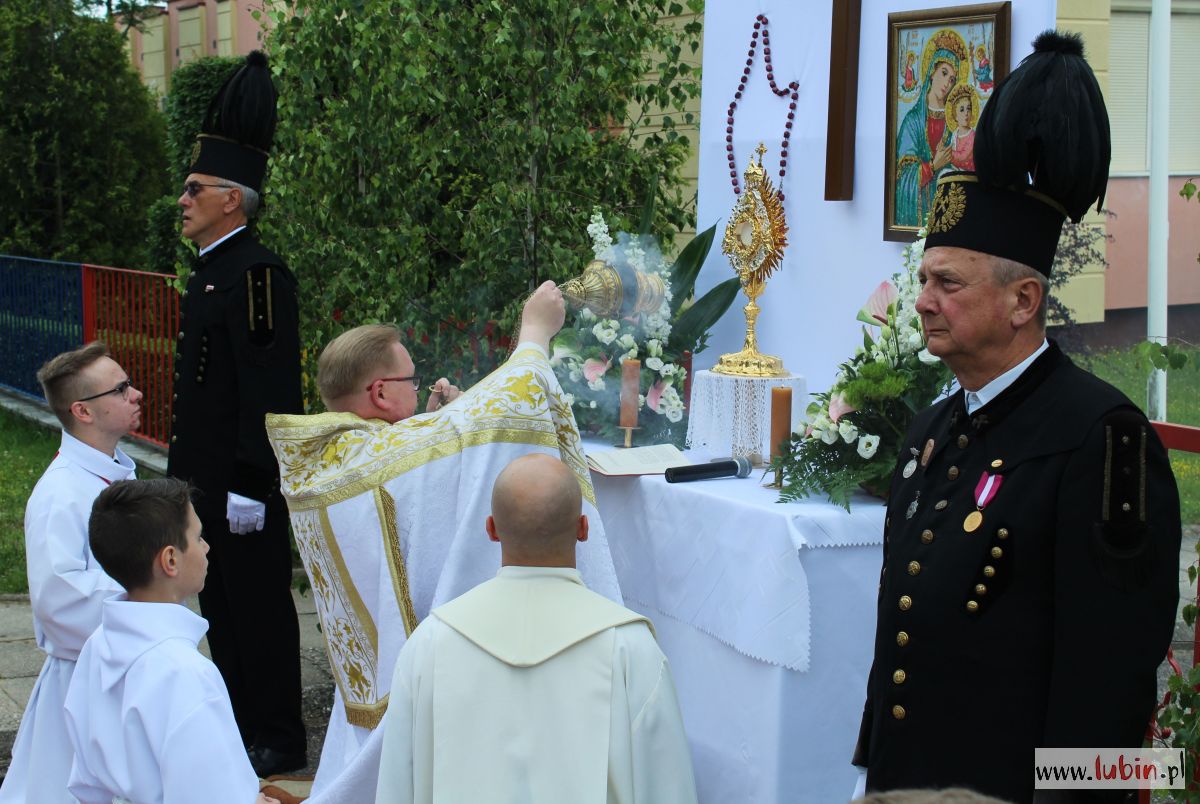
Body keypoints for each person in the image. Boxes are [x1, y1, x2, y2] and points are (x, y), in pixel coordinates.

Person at [853, 32, 1181, 803]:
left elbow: (1114, 681)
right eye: (924, 279)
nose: (924, 300)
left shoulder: (1106, 441)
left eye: (948, 283)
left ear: (1023, 302)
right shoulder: (934, 429)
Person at [265, 281, 623, 802]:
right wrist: (533, 336)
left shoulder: (334, 455)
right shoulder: (374, 456)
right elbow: (504, 411)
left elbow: (414, 482)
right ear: (381, 394)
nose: (418, 384)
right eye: (408, 378)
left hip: (369, 678)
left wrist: (436, 422)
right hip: (405, 685)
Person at [375, 453, 696, 804]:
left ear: (492, 529)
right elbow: (666, 786)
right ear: (583, 529)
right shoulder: (629, 648)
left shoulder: (430, 643)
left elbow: (396, 784)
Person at [167, 50, 307, 776]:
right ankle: (243, 725)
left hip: (239, 489)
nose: (181, 199)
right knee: (220, 609)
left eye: (194, 189)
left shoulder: (255, 274)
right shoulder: (213, 273)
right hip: (205, 485)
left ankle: (279, 737)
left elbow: (270, 392)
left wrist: (254, 487)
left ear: (232, 198)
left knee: (257, 611)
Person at [62, 478, 279, 804]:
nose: (206, 547)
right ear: (170, 560)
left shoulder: (98, 644)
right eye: (198, 537)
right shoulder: (186, 673)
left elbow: (85, 778)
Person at [0, 343, 140, 804]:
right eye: (120, 389)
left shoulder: (115, 474)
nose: (136, 394)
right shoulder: (61, 493)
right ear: (82, 410)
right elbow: (58, 598)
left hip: (128, 662)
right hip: (86, 677)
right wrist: (148, 601)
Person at [893, 29, 968, 228]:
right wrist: (933, 166)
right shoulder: (912, 121)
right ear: (932, 72)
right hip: (920, 212)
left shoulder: (955, 121)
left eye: (952, 79)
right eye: (944, 73)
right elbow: (902, 178)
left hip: (949, 210)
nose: (947, 83)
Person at [944, 83, 977, 173]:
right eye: (962, 110)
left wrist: (947, 153)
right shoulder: (955, 134)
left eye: (968, 109)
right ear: (956, 116)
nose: (966, 113)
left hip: (969, 173)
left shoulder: (972, 135)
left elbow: (963, 156)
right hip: (956, 170)